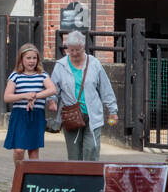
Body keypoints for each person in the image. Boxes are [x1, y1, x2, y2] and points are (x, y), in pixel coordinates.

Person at [48, 30, 118, 160]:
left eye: (77, 50)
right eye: (71, 50)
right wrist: (52, 100)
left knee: (91, 149)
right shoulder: (61, 65)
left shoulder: (94, 64)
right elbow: (53, 88)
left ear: (83, 47)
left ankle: (91, 178)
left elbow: (105, 88)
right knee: (74, 154)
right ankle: (76, 179)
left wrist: (112, 110)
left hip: (92, 115)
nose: (74, 53)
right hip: (71, 115)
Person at [2, 43, 56, 164]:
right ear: (21, 59)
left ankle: (33, 179)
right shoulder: (15, 75)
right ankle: (19, 176)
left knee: (33, 151)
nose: (32, 61)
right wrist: (24, 96)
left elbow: (52, 89)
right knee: (18, 150)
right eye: (28, 58)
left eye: (34, 58)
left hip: (36, 115)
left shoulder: (42, 75)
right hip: (20, 116)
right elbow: (7, 97)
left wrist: (35, 96)